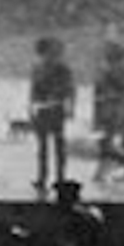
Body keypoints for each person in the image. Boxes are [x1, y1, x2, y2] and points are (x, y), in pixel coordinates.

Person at [29, 37, 76, 196]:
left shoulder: (63, 69)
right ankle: (42, 177)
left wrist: (70, 107)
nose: (50, 56)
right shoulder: (38, 68)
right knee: (42, 147)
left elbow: (70, 89)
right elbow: (33, 89)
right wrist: (31, 107)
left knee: (58, 146)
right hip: (43, 110)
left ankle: (60, 178)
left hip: (57, 110)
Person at [92, 39, 124, 181]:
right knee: (120, 138)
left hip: (117, 107)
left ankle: (121, 165)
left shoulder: (119, 67)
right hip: (116, 107)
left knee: (113, 139)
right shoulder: (111, 68)